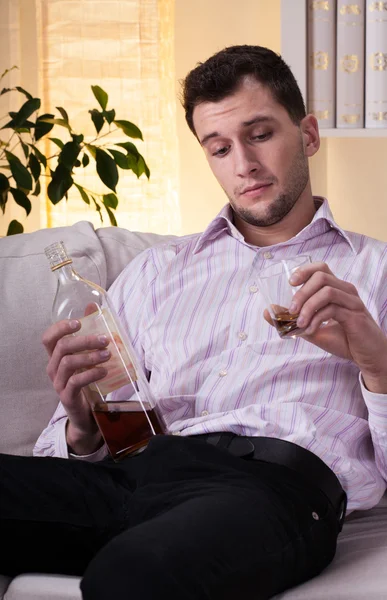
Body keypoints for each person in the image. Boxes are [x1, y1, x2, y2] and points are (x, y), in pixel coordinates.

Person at [1, 45, 387, 600]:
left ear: (307, 135)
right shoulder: (156, 272)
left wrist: (376, 361)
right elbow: (97, 426)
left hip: (270, 488)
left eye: (260, 135)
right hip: (135, 473)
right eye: (220, 147)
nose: (243, 165)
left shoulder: (374, 271)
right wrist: (82, 428)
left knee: (130, 575)